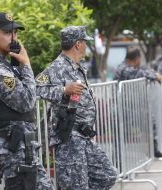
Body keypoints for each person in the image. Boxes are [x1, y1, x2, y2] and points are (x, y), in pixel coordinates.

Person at [0, 12, 54, 190]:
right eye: (8, 33)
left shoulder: (5, 64)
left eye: (16, 33)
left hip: (21, 146)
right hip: (12, 148)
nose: (14, 38)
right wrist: (26, 65)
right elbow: (25, 101)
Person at [36, 26, 117, 190]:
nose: (86, 46)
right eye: (85, 42)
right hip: (69, 137)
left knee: (107, 175)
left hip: (83, 135)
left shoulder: (78, 66)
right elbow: (35, 88)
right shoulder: (57, 67)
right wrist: (63, 90)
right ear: (78, 44)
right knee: (76, 186)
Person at [114, 47, 162, 158]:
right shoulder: (123, 68)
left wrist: (153, 73)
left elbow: (145, 70)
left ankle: (154, 150)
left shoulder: (132, 66)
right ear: (137, 58)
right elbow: (136, 73)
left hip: (134, 105)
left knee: (150, 122)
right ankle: (119, 163)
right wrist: (154, 76)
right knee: (121, 135)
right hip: (123, 107)